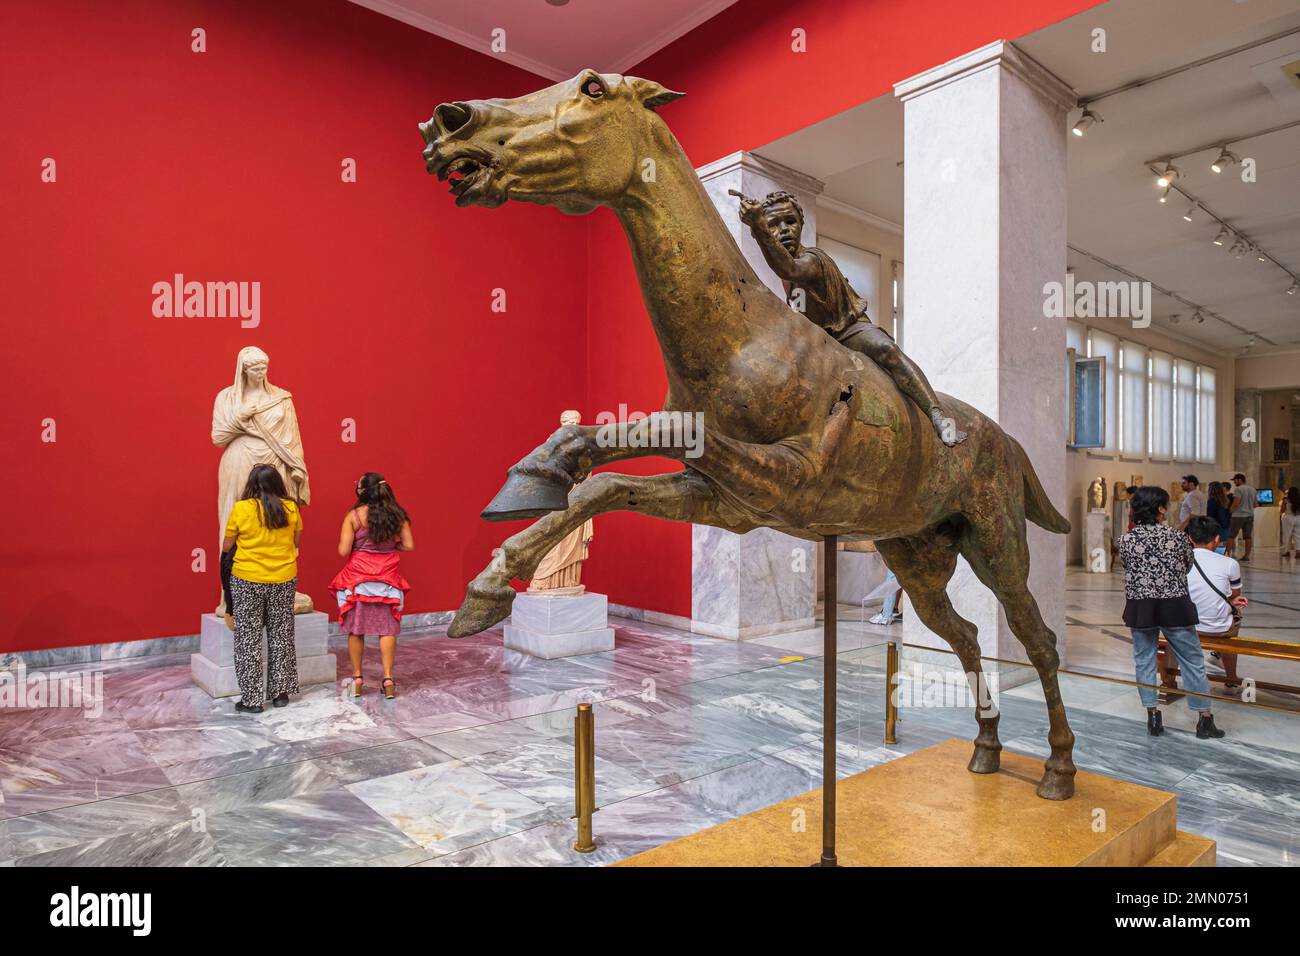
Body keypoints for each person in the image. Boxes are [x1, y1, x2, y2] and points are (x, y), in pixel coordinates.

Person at [736, 189, 966, 445]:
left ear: (801, 224)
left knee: (887, 350)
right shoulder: (785, 273)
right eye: (774, 225)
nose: (784, 230)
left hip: (848, 330)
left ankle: (937, 416)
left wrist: (758, 229)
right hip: (819, 340)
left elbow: (788, 268)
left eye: (790, 222)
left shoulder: (812, 260)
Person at [1117, 487, 1224, 739]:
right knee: (1192, 660)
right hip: (1174, 605)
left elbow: (1127, 566)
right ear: (1161, 509)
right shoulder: (1176, 537)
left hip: (1141, 606)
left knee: (1144, 659)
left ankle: (1153, 715)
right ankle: (1204, 719)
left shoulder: (1125, 540)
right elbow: (1187, 565)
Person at [222, 464, 303, 714]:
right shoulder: (291, 508)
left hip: (247, 579)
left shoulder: (242, 508)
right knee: (281, 635)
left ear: (251, 484)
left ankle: (252, 699)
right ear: (278, 483)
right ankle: (280, 694)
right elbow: (296, 541)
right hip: (283, 578)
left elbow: (227, 546)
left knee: (248, 639)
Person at [330, 473, 413, 700]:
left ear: (361, 491)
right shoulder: (398, 516)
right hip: (387, 580)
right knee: (387, 630)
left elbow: (343, 551)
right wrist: (388, 547)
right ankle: (388, 679)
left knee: (356, 630)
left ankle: (357, 679)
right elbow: (409, 545)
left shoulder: (354, 516)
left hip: (358, 581)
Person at [1186, 516, 1247, 691]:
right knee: (1234, 619)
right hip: (1220, 628)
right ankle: (1231, 677)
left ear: (1190, 538)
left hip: (1188, 626)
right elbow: (1235, 595)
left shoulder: (1180, 561)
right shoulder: (1230, 564)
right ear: (1217, 539)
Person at [1226, 473, 1257, 561]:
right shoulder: (1253, 489)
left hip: (1238, 516)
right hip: (1250, 516)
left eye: (1235, 480)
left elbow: (1236, 502)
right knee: (1248, 537)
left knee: (1231, 536)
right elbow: (1255, 504)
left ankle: (1228, 555)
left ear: (1239, 480)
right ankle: (1246, 556)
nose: (1234, 482)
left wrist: (1230, 510)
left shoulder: (1238, 489)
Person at [1282, 486, 1300, 560]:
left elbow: (1282, 510)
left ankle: (1287, 551)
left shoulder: (1286, 500)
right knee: (1298, 536)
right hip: (1298, 518)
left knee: (1287, 535)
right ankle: (1298, 552)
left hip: (1288, 518)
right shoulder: (1299, 500)